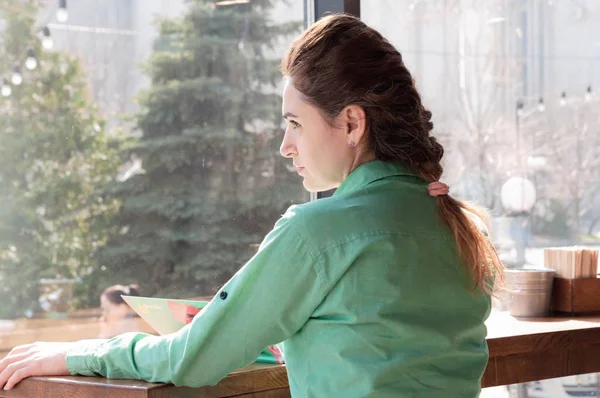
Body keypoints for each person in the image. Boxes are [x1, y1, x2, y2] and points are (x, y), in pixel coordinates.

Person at [0, 14, 503, 397]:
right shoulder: (457, 223)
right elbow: (384, 343)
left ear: (351, 123)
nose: (285, 146)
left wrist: (76, 353)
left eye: (296, 123)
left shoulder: (317, 232)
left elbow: (191, 359)